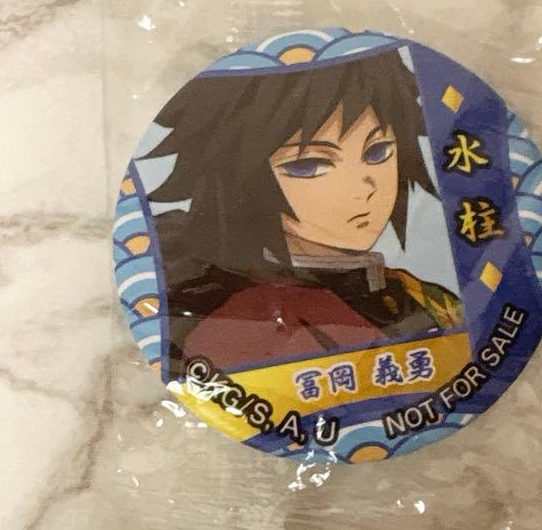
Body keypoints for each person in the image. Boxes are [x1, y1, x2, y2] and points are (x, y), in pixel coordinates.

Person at [147, 48, 463, 376]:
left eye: (377, 151)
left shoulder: (416, 295)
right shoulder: (243, 322)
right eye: (309, 166)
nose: (363, 188)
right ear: (239, 179)